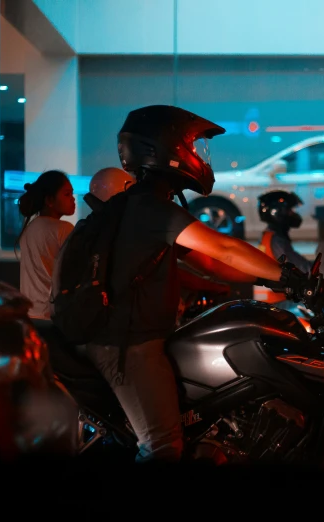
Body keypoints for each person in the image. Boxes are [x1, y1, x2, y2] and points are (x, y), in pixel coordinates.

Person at [80, 105, 290, 464]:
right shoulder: (151, 209)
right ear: (166, 148)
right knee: (163, 447)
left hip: (134, 335)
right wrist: (291, 277)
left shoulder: (144, 207)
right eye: (194, 146)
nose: (199, 155)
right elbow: (223, 248)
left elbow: (210, 265)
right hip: (128, 344)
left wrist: (273, 277)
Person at [17, 170, 76, 320]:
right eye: (67, 194)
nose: (73, 199)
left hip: (29, 313)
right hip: (52, 314)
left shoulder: (29, 228)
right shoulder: (63, 229)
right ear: (49, 200)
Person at [254, 190, 311, 302]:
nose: (293, 214)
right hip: (279, 301)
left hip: (267, 300)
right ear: (278, 212)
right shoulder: (276, 241)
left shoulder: (267, 236)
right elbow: (302, 269)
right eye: (289, 210)